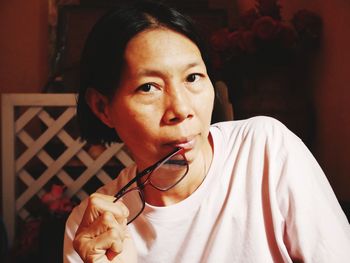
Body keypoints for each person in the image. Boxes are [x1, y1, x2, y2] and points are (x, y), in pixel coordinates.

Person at [63, 1, 350, 262]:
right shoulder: (91, 230)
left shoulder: (266, 149)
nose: (182, 108)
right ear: (102, 107)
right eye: (148, 87)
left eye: (192, 77)